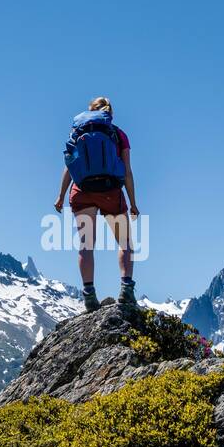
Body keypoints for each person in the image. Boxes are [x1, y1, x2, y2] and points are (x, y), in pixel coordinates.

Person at [54, 96, 140, 313]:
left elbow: (69, 166)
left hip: (82, 191)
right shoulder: (118, 134)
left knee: (86, 244)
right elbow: (127, 171)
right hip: (110, 191)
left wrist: (61, 196)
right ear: (110, 114)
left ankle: (89, 295)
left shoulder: (77, 132)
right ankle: (126, 291)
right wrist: (133, 203)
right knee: (125, 242)